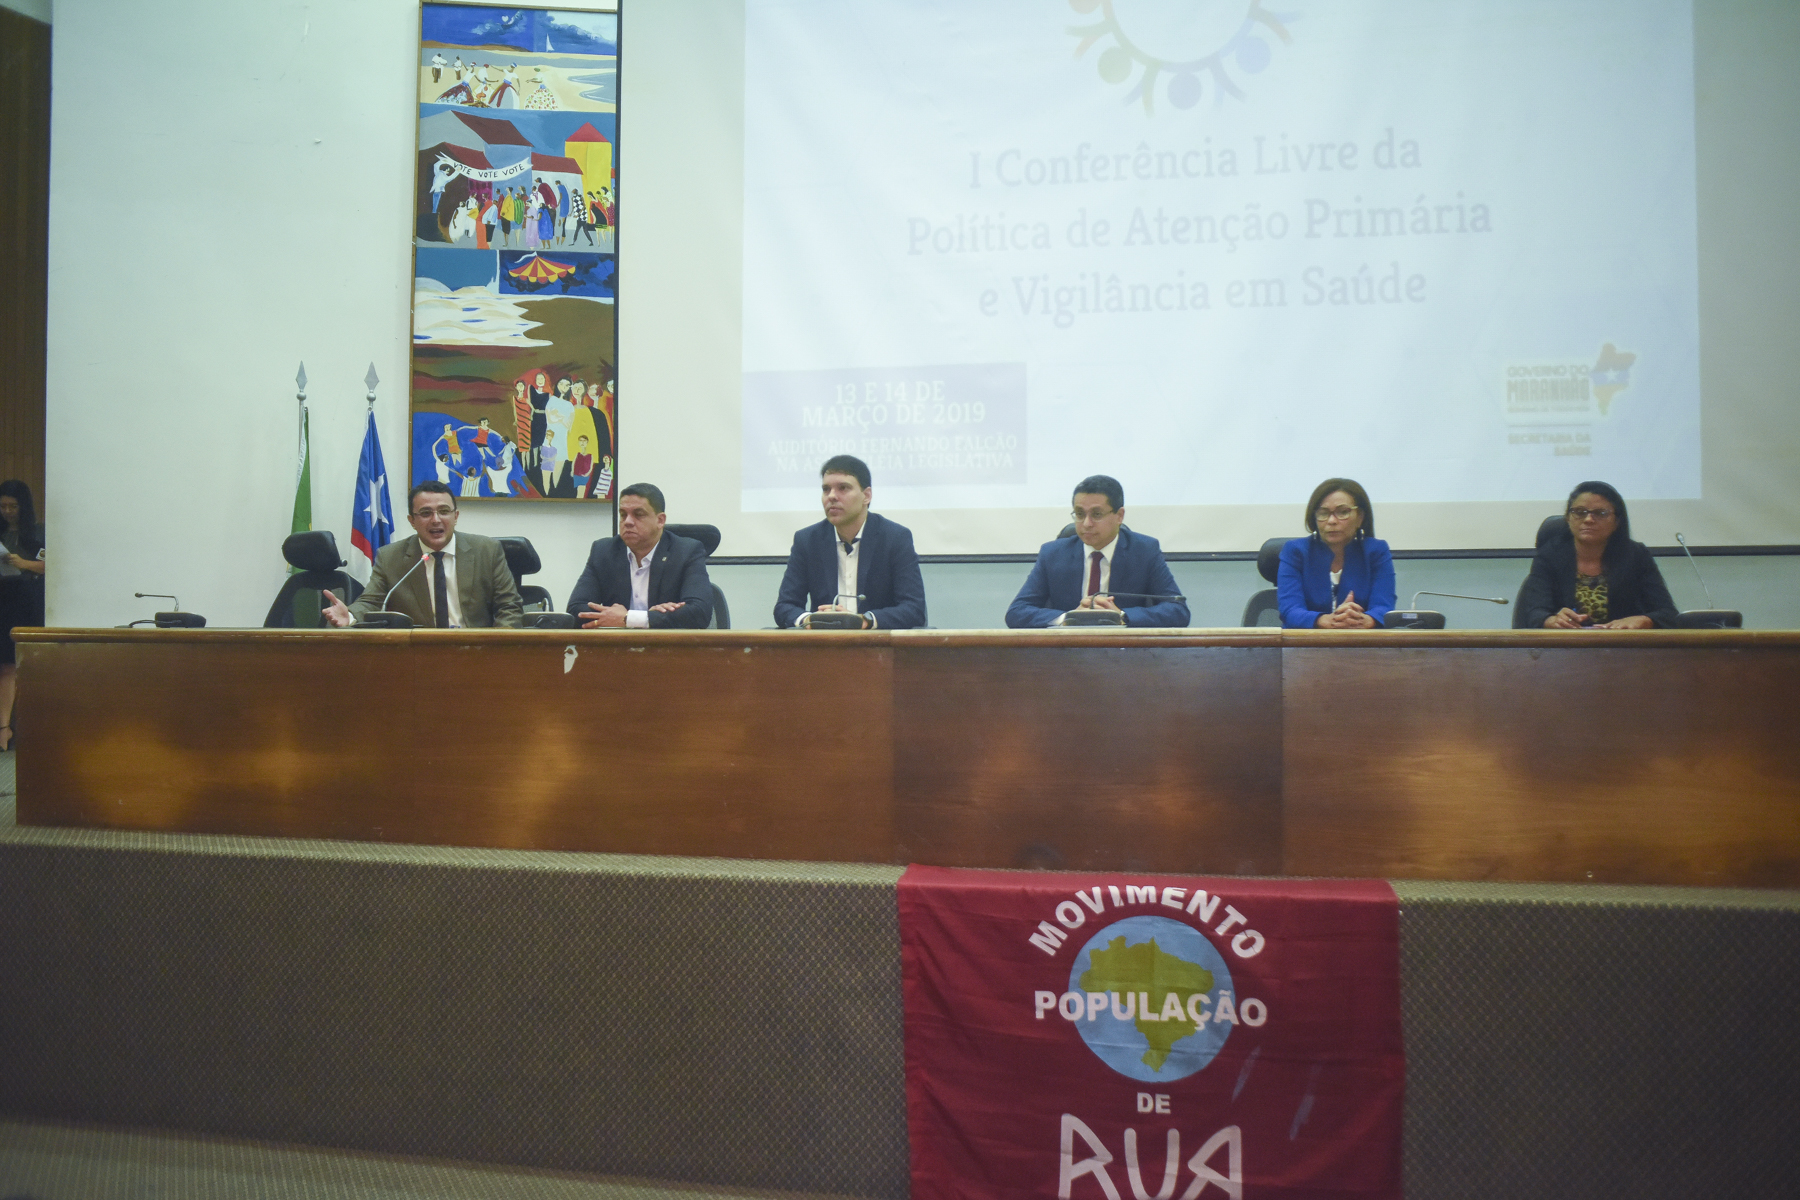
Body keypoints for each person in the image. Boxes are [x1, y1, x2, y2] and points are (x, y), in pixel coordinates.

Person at [323, 482, 522, 628]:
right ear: (412, 520)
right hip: (417, 654)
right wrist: (349, 615)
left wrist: (496, 646)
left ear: (456, 517)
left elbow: (509, 606)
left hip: (476, 652)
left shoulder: (487, 550)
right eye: (426, 513)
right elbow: (372, 601)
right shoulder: (390, 557)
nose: (436, 520)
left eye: (444, 511)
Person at [1006, 475, 1188, 627]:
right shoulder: (1053, 554)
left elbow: (1178, 610)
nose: (1086, 523)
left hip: (1125, 656)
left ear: (1119, 516)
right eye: (1079, 514)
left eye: (1097, 514)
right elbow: (1017, 612)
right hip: (1066, 654)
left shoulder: (1144, 551)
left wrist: (1121, 616)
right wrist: (1068, 617)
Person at [774, 454, 926, 629]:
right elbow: (784, 607)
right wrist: (810, 620)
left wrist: (863, 620)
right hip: (824, 646)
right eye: (826, 489)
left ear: (866, 496)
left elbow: (914, 609)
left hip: (877, 647)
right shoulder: (807, 541)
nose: (831, 496)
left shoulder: (895, 538)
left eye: (843, 488)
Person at [1517, 480, 1677, 629]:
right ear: (1568, 518)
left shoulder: (1636, 556)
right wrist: (1550, 620)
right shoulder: (1549, 556)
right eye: (1579, 512)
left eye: (1600, 513)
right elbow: (1533, 613)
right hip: (1564, 650)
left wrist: (1644, 620)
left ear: (1617, 522)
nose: (1588, 519)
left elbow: (1667, 614)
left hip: (1623, 649)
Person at [565, 483, 713, 629]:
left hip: (667, 649)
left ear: (660, 520)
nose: (628, 522)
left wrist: (628, 618)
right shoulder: (603, 551)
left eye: (638, 514)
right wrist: (649, 617)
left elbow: (699, 613)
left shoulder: (686, 551)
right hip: (616, 648)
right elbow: (576, 611)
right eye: (623, 515)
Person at [1277, 477, 1396, 629]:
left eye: (1342, 512)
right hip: (1305, 645)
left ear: (1360, 517)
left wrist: (1365, 620)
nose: (1332, 521)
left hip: (1362, 644)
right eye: (1323, 513)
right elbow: (1290, 610)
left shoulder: (1376, 551)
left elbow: (1384, 607)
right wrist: (1325, 620)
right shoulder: (1296, 551)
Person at [0, 480, 46, 751]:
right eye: (3, 506)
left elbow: (50, 565)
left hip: (29, 602)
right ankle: (3, 728)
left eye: (13, 506)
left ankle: (28, 728)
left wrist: (22, 563)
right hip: (4, 601)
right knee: (4, 665)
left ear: (23, 506)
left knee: (27, 665)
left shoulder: (39, 532)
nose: (7, 511)